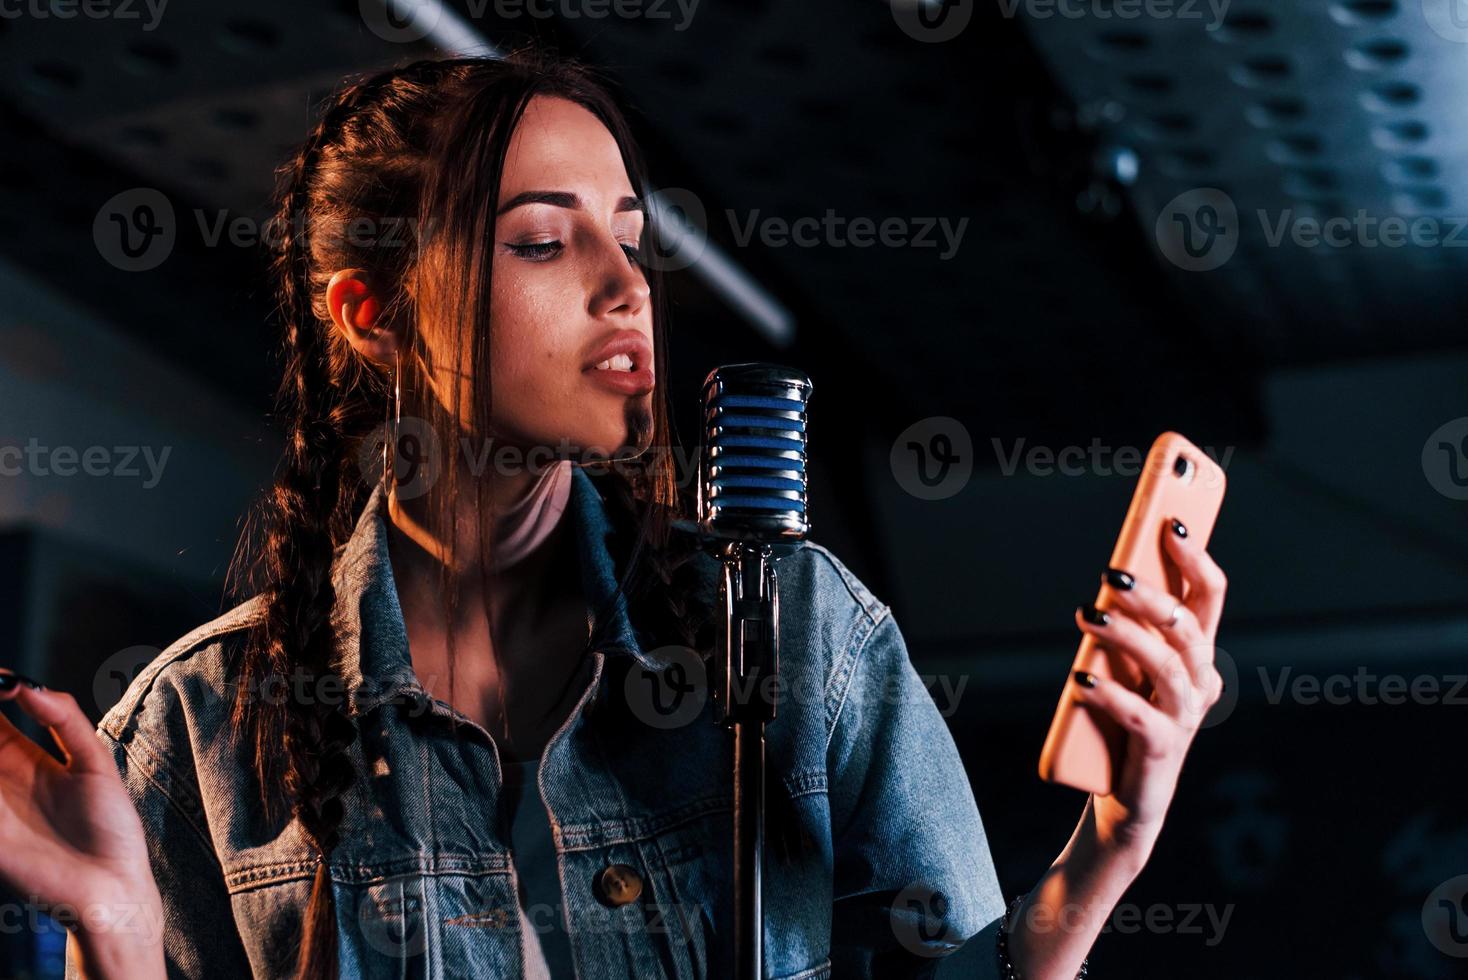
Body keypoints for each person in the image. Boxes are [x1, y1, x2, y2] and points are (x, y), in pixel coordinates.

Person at [0, 47, 1228, 980]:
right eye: (544, 241)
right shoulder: (197, 725)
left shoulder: (796, 633)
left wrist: (1098, 857)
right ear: (370, 315)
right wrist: (112, 928)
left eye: (631, 239)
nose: (625, 284)